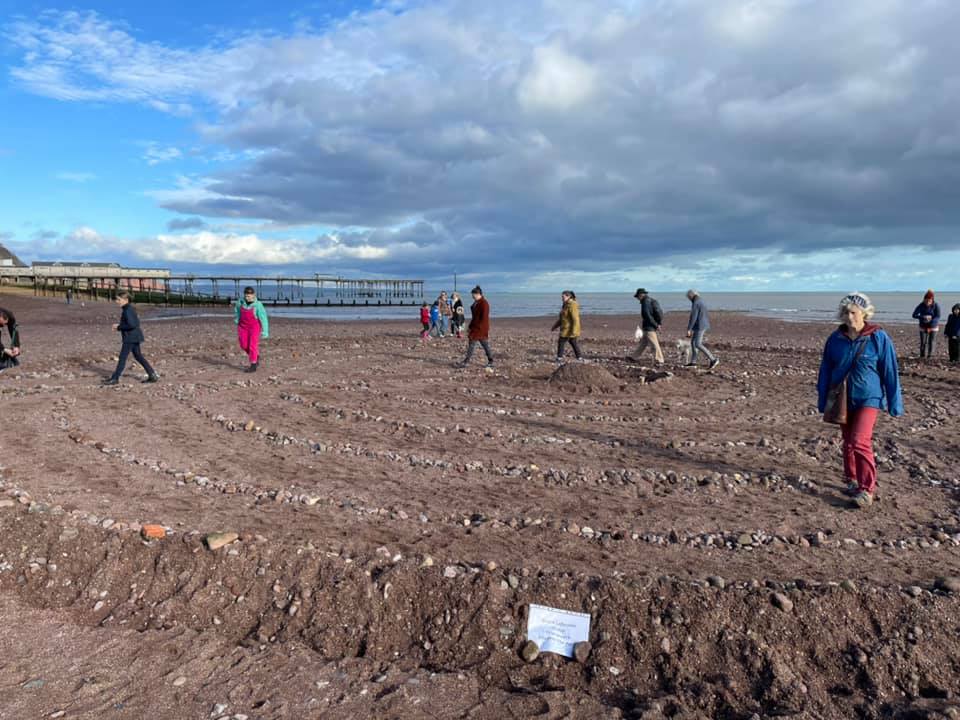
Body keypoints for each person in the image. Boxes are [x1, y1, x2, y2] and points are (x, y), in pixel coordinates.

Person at [817, 292, 902, 509]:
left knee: (859, 441)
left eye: (853, 312)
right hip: (842, 398)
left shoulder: (878, 338)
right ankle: (852, 480)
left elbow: (890, 370)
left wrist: (894, 401)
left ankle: (867, 490)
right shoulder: (835, 340)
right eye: (845, 312)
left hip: (869, 398)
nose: (849, 316)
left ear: (864, 313)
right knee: (848, 441)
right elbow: (825, 370)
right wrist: (822, 398)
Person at [103, 291, 159, 385]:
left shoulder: (127, 310)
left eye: (119, 299)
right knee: (138, 356)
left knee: (122, 358)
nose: (117, 301)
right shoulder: (128, 309)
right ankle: (152, 375)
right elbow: (134, 323)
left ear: (126, 300)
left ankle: (115, 378)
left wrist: (119, 327)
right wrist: (120, 326)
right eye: (116, 299)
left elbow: (132, 324)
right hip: (134, 336)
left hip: (130, 337)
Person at [457, 286, 494, 368]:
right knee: (483, 344)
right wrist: (470, 327)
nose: (472, 296)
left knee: (474, 344)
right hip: (476, 327)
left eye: (473, 295)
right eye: (472, 295)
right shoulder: (476, 302)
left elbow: (483, 318)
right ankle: (490, 360)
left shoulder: (484, 303)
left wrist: (476, 328)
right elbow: (475, 317)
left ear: (478, 294)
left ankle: (466, 362)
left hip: (480, 328)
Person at [235, 286, 269, 372]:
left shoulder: (258, 305)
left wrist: (265, 331)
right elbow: (237, 311)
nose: (247, 298)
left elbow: (263, 318)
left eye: (249, 296)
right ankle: (256, 356)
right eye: (246, 296)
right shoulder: (240, 302)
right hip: (242, 326)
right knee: (243, 345)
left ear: (254, 295)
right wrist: (237, 319)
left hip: (254, 326)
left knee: (252, 345)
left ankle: (253, 365)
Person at [627, 288, 664, 365]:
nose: (637, 298)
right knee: (643, 343)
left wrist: (656, 325)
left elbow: (647, 315)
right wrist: (658, 323)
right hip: (651, 324)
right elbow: (658, 313)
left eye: (637, 297)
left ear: (641, 295)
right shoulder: (652, 301)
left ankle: (659, 360)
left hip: (649, 326)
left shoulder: (645, 302)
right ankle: (634, 357)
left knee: (654, 343)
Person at [686, 289, 719, 369]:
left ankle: (713, 359)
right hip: (702, 324)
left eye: (688, 297)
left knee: (697, 344)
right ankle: (693, 362)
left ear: (691, 296)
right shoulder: (701, 301)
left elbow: (693, 317)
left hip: (700, 326)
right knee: (693, 343)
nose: (689, 299)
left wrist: (689, 329)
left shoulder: (696, 303)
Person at [551, 290, 583, 361]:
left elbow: (575, 319)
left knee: (561, 341)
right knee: (573, 342)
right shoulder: (565, 304)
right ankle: (579, 357)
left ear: (569, 296)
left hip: (569, 329)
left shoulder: (572, 305)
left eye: (563, 297)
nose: (562, 298)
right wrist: (554, 326)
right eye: (561, 297)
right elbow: (562, 319)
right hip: (565, 328)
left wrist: (574, 331)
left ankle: (559, 358)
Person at [912, 289, 941, 359]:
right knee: (923, 342)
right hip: (923, 326)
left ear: (932, 300)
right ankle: (922, 355)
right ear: (924, 299)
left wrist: (931, 320)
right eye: (926, 300)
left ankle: (930, 356)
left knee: (931, 341)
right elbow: (914, 315)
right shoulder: (921, 305)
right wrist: (923, 317)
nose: (928, 302)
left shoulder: (936, 305)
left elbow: (938, 316)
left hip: (933, 327)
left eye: (929, 301)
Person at [0, 307, 21, 372]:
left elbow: (14, 330)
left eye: (5, 324)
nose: (3, 326)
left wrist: (16, 346)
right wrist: (4, 349)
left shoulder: (10, 316)